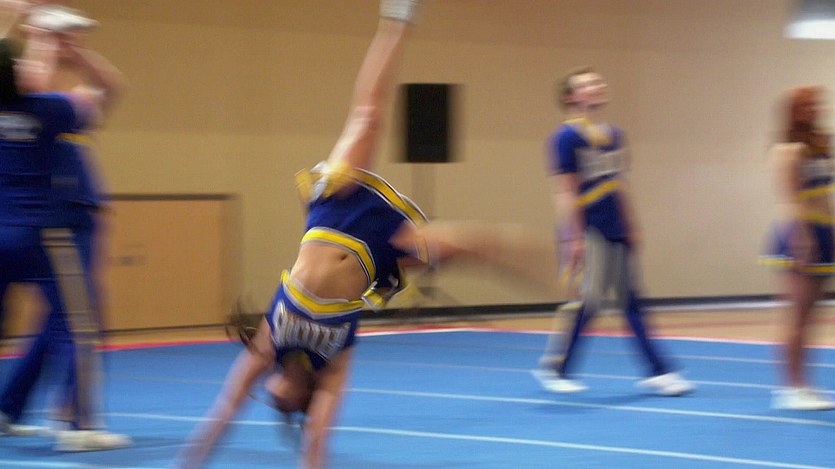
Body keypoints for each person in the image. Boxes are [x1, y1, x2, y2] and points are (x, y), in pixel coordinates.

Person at [177, 1, 561, 467]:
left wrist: (189, 462)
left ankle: (397, 15)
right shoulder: (332, 368)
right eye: (280, 407)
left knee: (367, 118)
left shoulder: (267, 347)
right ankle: (546, 264)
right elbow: (316, 445)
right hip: (377, 254)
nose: (270, 397)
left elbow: (226, 407)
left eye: (266, 396)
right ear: (301, 402)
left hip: (332, 214)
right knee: (470, 247)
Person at [0, 1, 131, 450]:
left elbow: (109, 90)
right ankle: (75, 420)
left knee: (59, 321)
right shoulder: (51, 109)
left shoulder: (54, 107)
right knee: (77, 320)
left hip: (61, 218)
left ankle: (10, 406)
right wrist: (43, 36)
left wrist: (62, 47)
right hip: (50, 226)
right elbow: (93, 88)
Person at [534, 67, 693, 396]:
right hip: (588, 228)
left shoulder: (615, 135)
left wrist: (631, 223)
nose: (597, 86)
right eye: (588, 84)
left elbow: (619, 184)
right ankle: (558, 368)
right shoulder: (565, 137)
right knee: (591, 301)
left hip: (615, 226)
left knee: (629, 300)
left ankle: (657, 371)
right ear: (571, 96)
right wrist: (573, 236)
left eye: (599, 81)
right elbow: (565, 191)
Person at [761, 86, 835, 411]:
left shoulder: (821, 145)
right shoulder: (786, 149)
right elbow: (789, 199)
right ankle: (790, 388)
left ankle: (804, 385)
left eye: (816, 103)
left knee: (812, 318)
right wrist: (802, 239)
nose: (813, 108)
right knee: (797, 316)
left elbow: (825, 195)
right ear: (793, 109)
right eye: (806, 104)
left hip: (824, 231)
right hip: (799, 233)